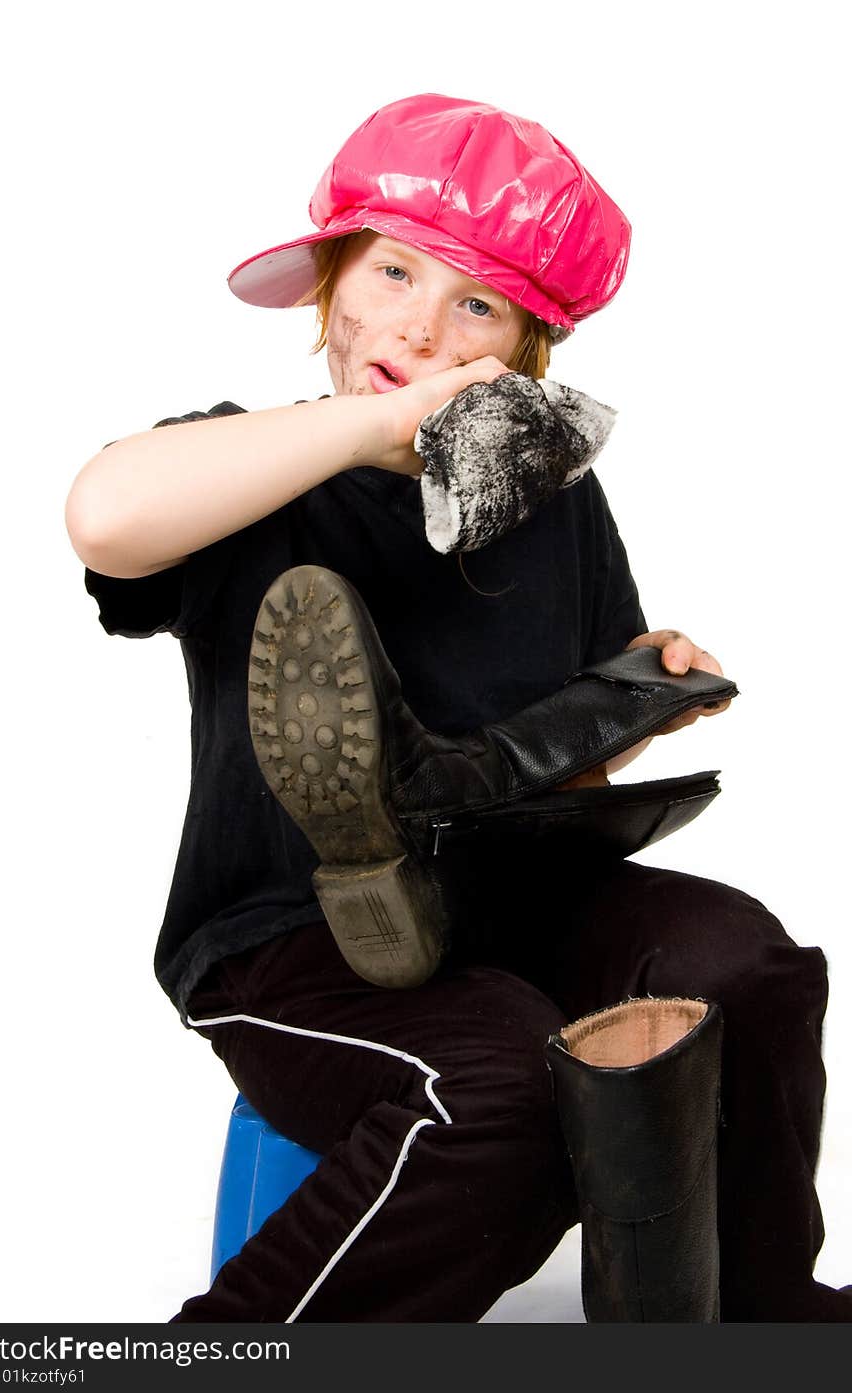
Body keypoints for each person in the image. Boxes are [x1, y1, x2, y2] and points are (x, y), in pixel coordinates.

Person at [64, 92, 850, 1322]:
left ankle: (759, 1315)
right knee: (506, 1086)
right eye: (394, 273)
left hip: (513, 894)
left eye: (474, 304)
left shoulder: (552, 500)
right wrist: (373, 425)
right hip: (290, 932)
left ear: (523, 350)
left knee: (742, 964)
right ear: (329, 280)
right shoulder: (252, 469)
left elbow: (578, 784)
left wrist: (630, 699)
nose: (421, 327)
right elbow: (106, 517)